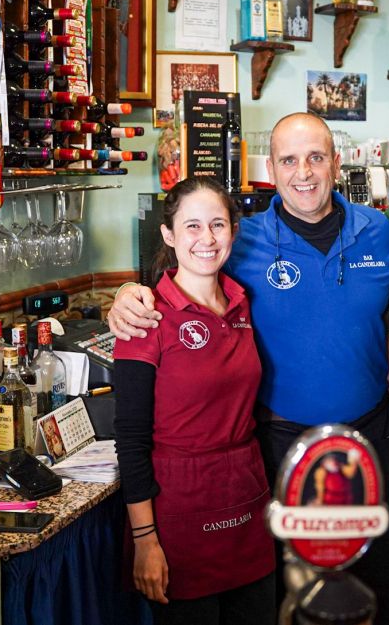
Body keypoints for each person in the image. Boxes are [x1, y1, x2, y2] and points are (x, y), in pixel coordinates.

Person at [109, 112, 389, 625]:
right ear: (271, 169)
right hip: (281, 446)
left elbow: (378, 306)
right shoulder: (241, 241)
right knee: (291, 600)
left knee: (375, 589)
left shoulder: (378, 230)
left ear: (337, 163)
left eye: (316, 157)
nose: (304, 172)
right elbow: (180, 273)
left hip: (371, 439)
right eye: (289, 160)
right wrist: (125, 294)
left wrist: (383, 343)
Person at [113, 176, 275, 625]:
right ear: (168, 234)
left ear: (234, 231)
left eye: (218, 225)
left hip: (247, 502)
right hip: (178, 513)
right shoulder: (144, 317)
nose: (207, 238)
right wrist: (145, 540)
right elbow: (130, 439)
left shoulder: (243, 302)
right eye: (192, 226)